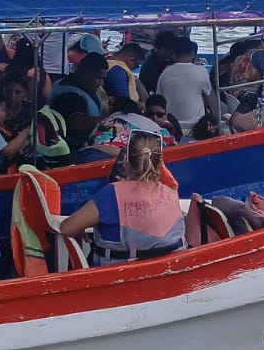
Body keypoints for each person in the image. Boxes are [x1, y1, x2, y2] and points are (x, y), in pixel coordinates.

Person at [59, 131, 185, 265]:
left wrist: (81, 227)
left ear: (125, 161)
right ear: (159, 163)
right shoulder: (171, 193)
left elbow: (66, 228)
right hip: (168, 275)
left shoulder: (111, 194)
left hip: (121, 280)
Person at [80, 97, 176, 162]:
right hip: (120, 161)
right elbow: (171, 148)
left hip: (87, 157)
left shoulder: (104, 121)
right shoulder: (151, 125)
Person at [48, 53, 110, 152]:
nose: (101, 83)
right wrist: (109, 119)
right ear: (85, 74)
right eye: (99, 78)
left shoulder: (83, 87)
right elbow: (77, 124)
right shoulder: (69, 96)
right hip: (71, 151)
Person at [155, 39, 213, 131]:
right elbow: (208, 93)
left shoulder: (165, 74)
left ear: (173, 54)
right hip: (196, 125)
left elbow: (158, 98)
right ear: (193, 53)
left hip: (172, 125)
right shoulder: (201, 71)